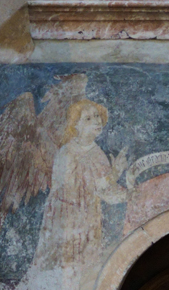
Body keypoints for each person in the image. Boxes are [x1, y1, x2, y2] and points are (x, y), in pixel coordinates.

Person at [33, 98, 130, 270]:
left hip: (90, 217)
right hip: (67, 218)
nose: (96, 121)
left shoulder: (98, 153)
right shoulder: (67, 153)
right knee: (66, 269)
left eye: (97, 116)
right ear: (75, 125)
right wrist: (113, 174)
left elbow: (104, 191)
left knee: (87, 271)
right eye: (88, 118)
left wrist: (127, 193)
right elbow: (72, 189)